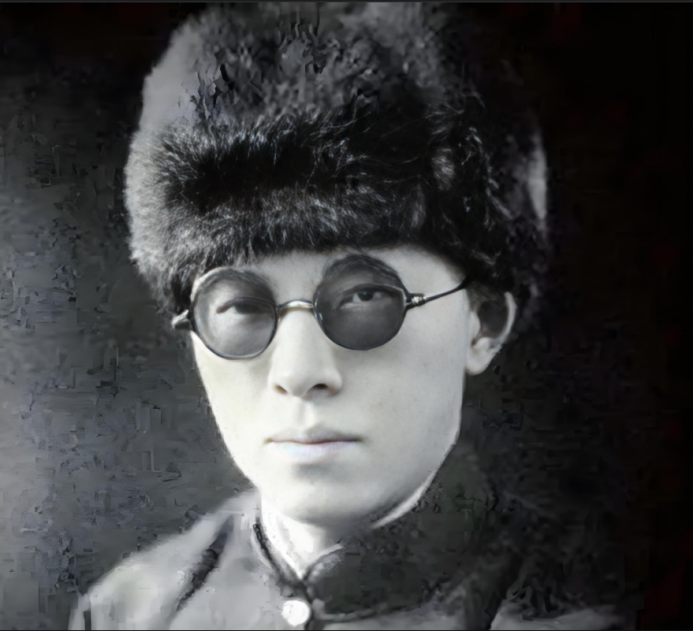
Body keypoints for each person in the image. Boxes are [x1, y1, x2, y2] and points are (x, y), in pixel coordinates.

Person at [69, 3, 632, 629]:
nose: (299, 373)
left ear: (483, 321)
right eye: (241, 306)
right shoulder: (129, 612)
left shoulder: (595, 614)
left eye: (365, 298)